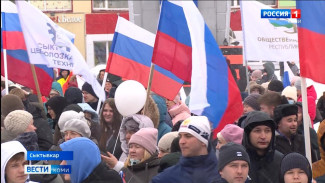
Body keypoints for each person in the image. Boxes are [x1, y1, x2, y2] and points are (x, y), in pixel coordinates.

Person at [151, 116, 220, 183]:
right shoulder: (165, 178)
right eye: (180, 136)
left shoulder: (222, 174)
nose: (181, 141)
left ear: (203, 141)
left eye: (188, 136)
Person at [242, 111, 283, 183]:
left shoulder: (280, 160)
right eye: (257, 131)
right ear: (248, 134)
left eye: (267, 131)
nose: (263, 136)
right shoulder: (240, 161)